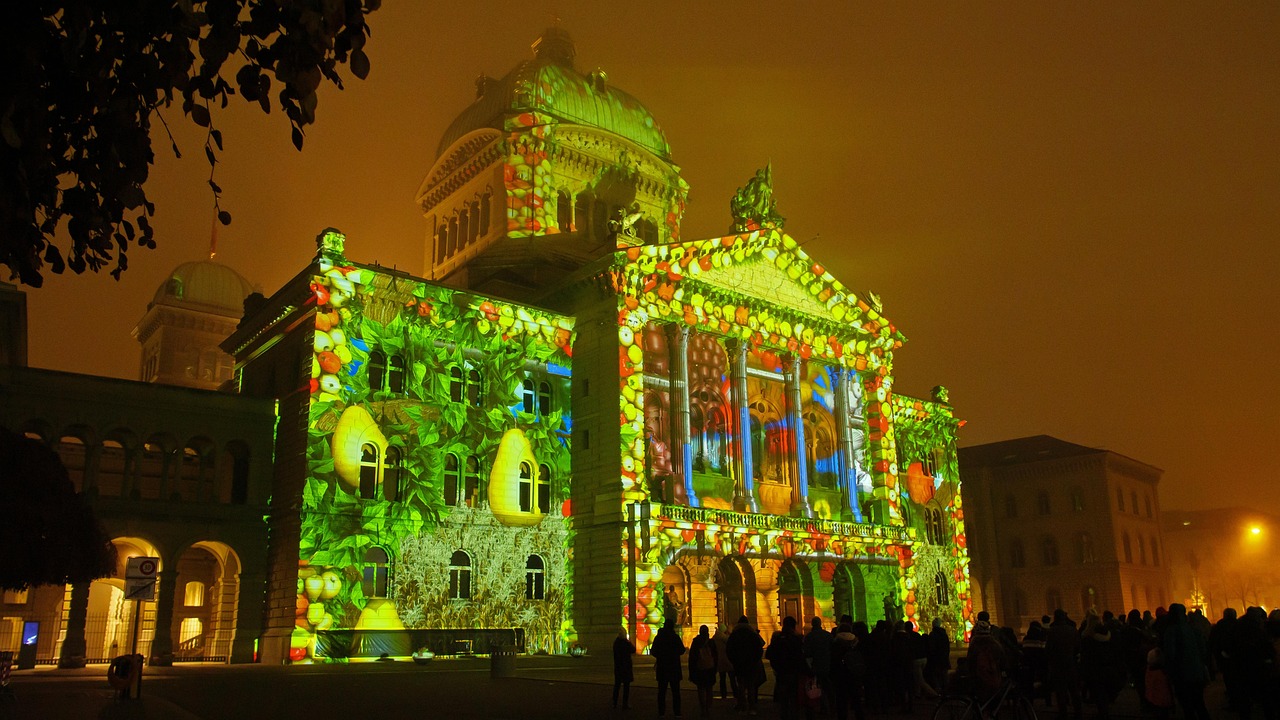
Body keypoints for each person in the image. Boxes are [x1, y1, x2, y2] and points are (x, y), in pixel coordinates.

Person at [1161, 603, 1210, 720]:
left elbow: (1170, 654)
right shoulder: (1194, 629)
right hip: (1197, 673)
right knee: (1199, 703)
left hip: (1181, 674)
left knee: (1187, 707)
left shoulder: (1171, 631)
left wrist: (1168, 670)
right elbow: (1204, 651)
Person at [767, 616, 810, 720]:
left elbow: (769, 654)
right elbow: (801, 656)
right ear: (793, 626)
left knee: (784, 699)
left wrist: (776, 668)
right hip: (794, 673)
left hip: (781, 673)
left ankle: (784, 716)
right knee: (794, 698)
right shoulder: (797, 639)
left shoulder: (778, 638)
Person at [1045, 609, 1082, 719]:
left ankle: (1063, 714)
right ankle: (1078, 713)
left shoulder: (1052, 631)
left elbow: (1048, 650)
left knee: (1060, 692)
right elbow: (1078, 648)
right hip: (1071, 665)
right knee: (1074, 691)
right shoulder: (1072, 630)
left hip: (1058, 666)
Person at [726, 616, 765, 715]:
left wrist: (734, 661)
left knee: (741, 686)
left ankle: (742, 707)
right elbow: (759, 649)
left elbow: (729, 650)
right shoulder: (752, 634)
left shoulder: (734, 634)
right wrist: (755, 660)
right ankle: (752, 708)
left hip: (739, 665)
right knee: (751, 686)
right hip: (751, 664)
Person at [652, 617, 687, 718]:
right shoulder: (675, 637)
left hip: (662, 667)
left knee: (662, 692)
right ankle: (677, 712)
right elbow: (682, 650)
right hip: (674, 667)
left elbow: (653, 651)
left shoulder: (659, 637)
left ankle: (661, 712)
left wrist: (661, 656)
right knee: (676, 692)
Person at [803, 617, 833, 712]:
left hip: (815, 665)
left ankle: (820, 705)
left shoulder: (809, 637)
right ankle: (831, 705)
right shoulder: (828, 635)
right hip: (827, 664)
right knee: (827, 686)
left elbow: (806, 652)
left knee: (817, 686)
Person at [689, 624, 717, 717]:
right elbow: (716, 657)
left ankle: (703, 708)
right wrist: (715, 669)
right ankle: (709, 707)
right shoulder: (711, 642)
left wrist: (691, 671)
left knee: (701, 689)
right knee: (709, 689)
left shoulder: (696, 642)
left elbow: (692, 658)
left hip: (699, 669)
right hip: (709, 669)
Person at [926, 618, 951, 696]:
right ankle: (947, 690)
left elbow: (931, 648)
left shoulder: (932, 635)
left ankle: (938, 690)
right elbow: (947, 646)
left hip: (935, 659)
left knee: (936, 675)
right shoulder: (944, 634)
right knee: (944, 675)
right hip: (944, 658)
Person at [612, 628, 636, 709]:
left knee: (617, 685)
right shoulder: (626, 643)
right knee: (626, 687)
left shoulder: (616, 643)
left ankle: (614, 702)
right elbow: (633, 650)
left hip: (618, 667)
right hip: (626, 667)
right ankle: (624, 704)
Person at [712, 624, 734, 701]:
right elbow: (731, 642)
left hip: (719, 660)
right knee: (732, 678)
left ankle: (723, 694)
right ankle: (736, 693)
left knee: (722, 679)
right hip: (727, 660)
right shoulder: (724, 637)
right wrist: (730, 632)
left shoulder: (715, 638)